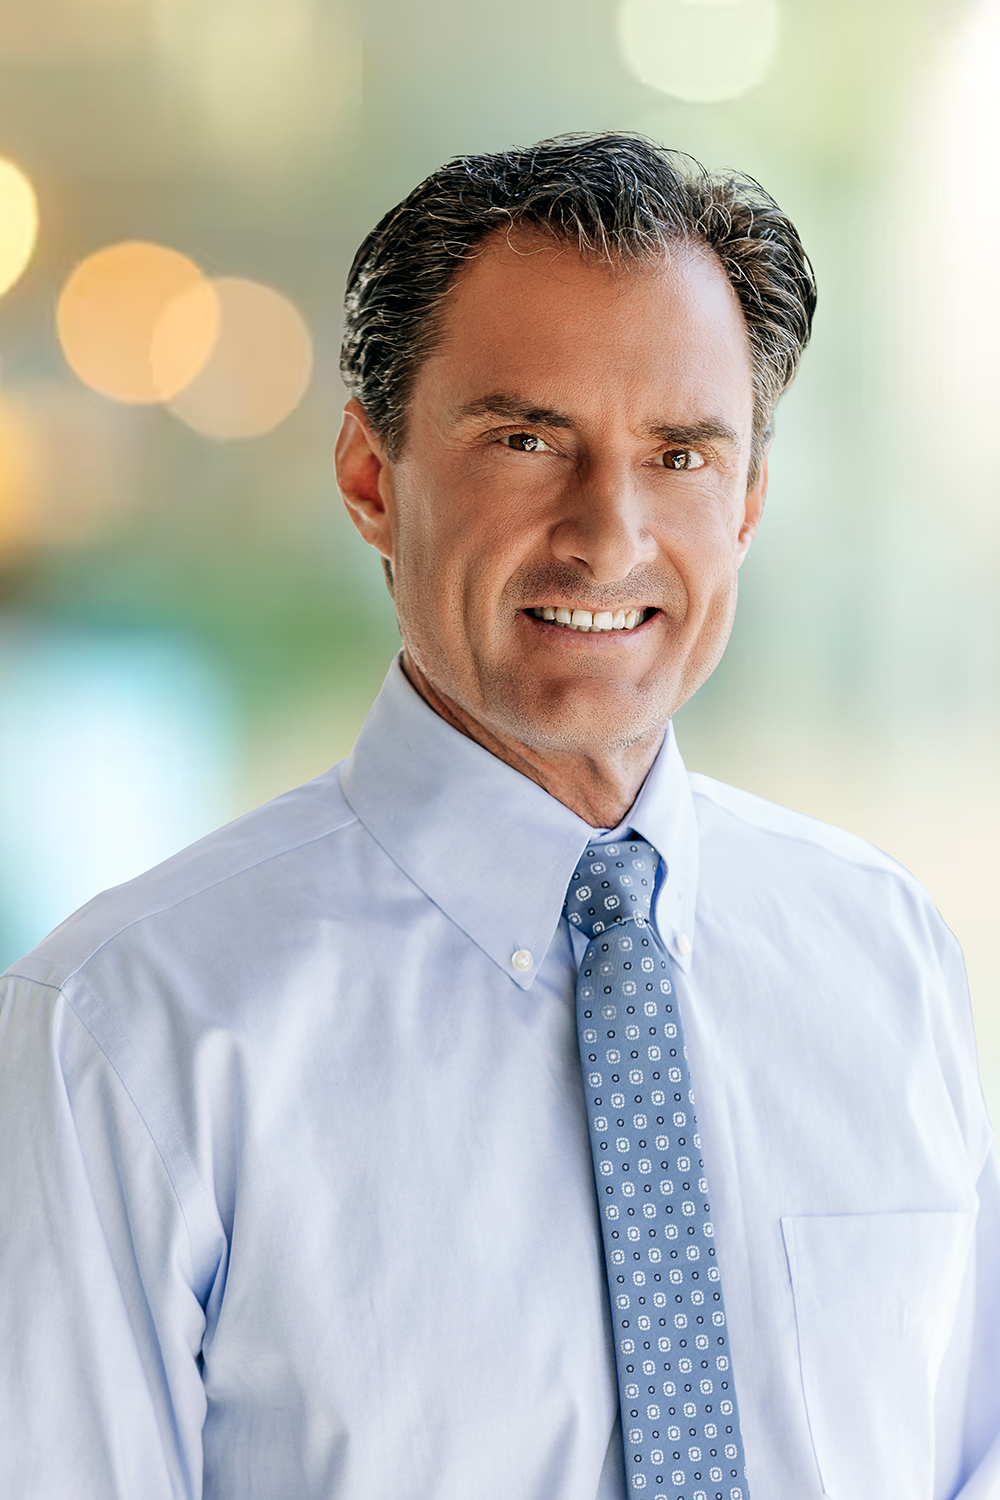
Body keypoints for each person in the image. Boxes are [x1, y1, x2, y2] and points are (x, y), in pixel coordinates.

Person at [1, 133, 997, 1500]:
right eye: (528, 440)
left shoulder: (886, 958)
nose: (610, 534)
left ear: (751, 500)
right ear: (371, 479)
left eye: (682, 455)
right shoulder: (130, 1027)